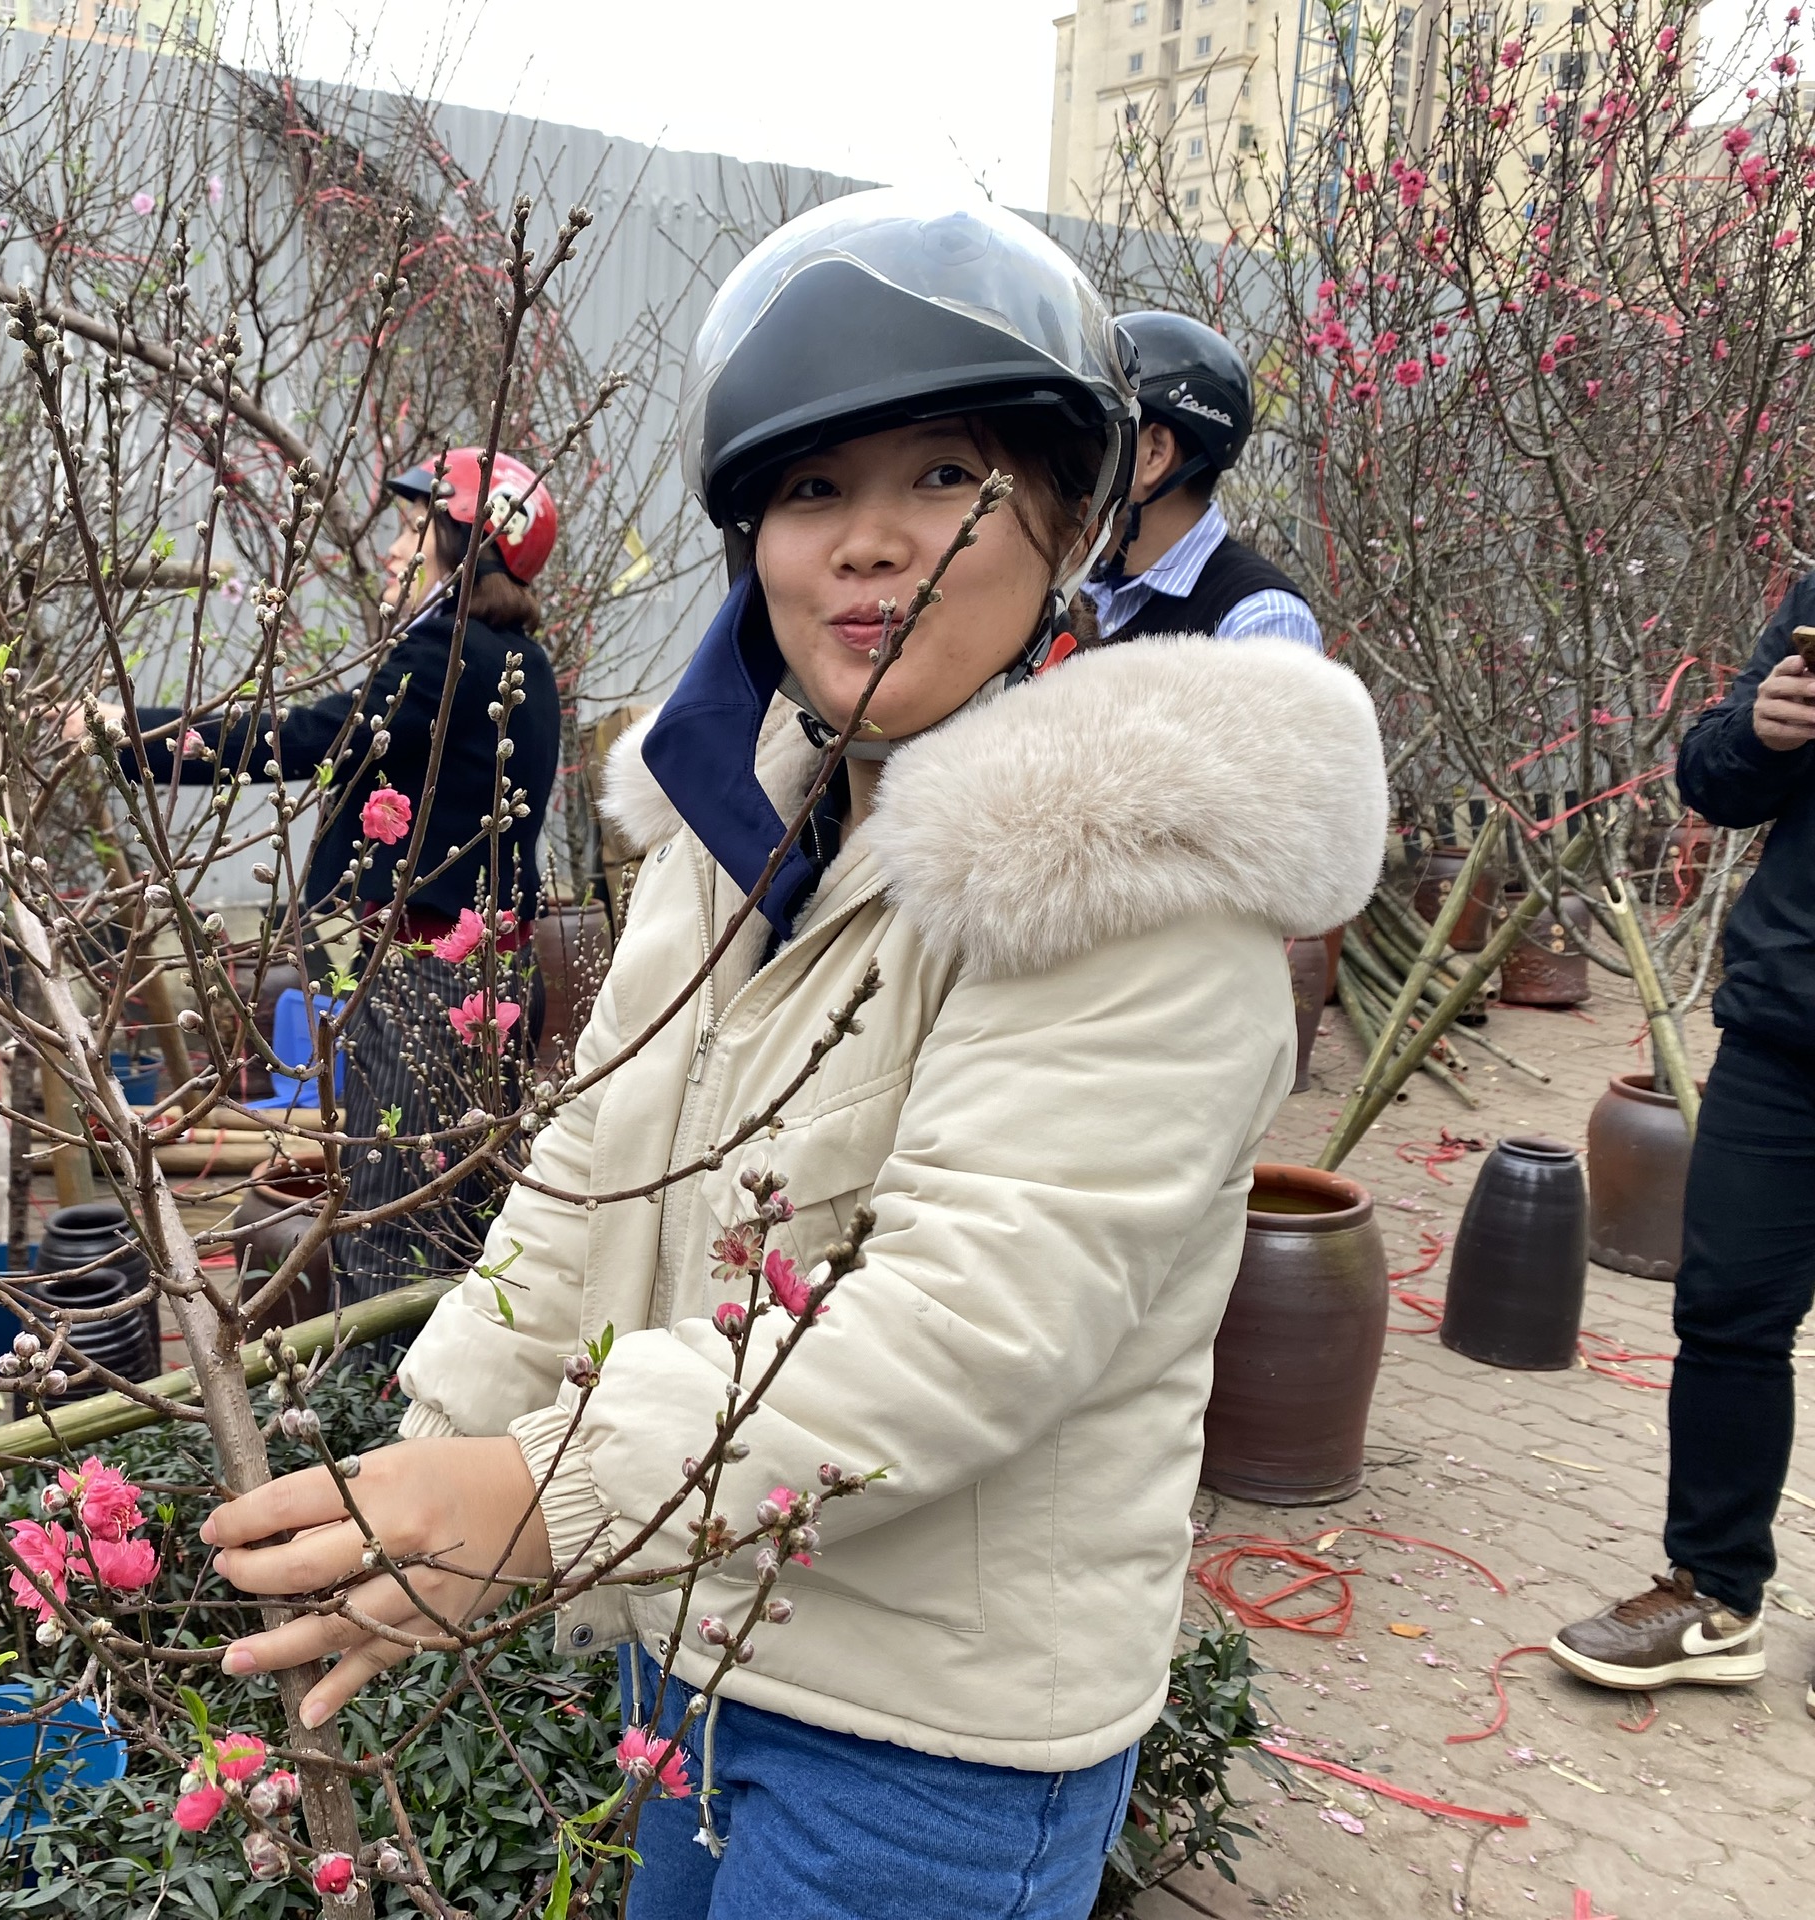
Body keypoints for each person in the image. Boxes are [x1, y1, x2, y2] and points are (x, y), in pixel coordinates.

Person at [194, 189, 1386, 1916]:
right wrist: (426, 1451)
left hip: (929, 1735)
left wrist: (538, 1494)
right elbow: (591, 1171)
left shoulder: (1134, 879)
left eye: (947, 481)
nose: (870, 543)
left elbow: (967, 1323)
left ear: (1063, 526)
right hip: (694, 1628)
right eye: (814, 490)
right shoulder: (729, 838)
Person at [123, 451, 563, 1302]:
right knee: (464, 1215)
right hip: (485, 982)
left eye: (412, 530)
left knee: (389, 1230)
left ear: (471, 545)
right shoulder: (519, 659)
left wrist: (133, 734)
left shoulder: (446, 651)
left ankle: (379, 1420)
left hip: (423, 987)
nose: (395, 551)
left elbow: (307, 737)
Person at [1549, 604, 1815, 1709]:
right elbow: (1709, 778)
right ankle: (1713, 1594)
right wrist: (1760, 729)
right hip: (1786, 1029)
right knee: (1726, 1316)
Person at [1085, 309, 1322, 650]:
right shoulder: (1076, 582)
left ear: (1154, 453)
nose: (1067, 456)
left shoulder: (1260, 623)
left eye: (1091, 433)